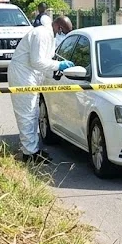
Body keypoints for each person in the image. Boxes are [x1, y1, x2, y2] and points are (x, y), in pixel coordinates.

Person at [8, 15, 74, 164]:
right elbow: (37, 61)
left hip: (30, 76)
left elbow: (45, 60)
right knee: (27, 115)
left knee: (34, 114)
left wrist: (53, 71)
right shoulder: (41, 34)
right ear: (59, 28)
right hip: (22, 76)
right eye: (63, 33)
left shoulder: (48, 35)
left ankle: (32, 150)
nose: (61, 36)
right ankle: (29, 154)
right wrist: (59, 66)